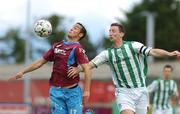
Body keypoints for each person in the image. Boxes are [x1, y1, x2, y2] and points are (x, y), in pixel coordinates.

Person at [67, 23, 180, 114]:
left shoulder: (133, 46)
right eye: (109, 31)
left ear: (121, 34)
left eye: (113, 31)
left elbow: (152, 51)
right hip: (123, 92)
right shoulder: (107, 54)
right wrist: (78, 69)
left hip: (141, 90)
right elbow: (90, 64)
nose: (110, 33)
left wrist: (169, 54)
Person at [8, 22, 92, 114]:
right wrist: (22, 72)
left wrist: (86, 91)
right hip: (56, 92)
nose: (72, 29)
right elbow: (40, 62)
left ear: (80, 35)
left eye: (75, 28)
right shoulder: (57, 46)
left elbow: (87, 69)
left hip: (72, 93)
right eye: (72, 27)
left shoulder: (77, 48)